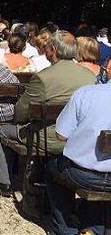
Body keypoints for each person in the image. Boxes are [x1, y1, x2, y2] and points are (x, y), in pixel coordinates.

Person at [0, 31, 95, 196]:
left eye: (49, 48)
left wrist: (19, 120)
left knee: (2, 131)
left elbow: (22, 110)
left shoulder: (43, 77)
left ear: (54, 50)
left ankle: (1, 181)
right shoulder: (88, 76)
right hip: (77, 136)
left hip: (48, 137)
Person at [46, 81, 111, 235]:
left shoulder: (86, 93)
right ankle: (93, 228)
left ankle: (65, 229)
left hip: (83, 174)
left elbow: (61, 135)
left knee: (52, 168)